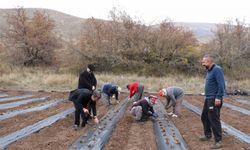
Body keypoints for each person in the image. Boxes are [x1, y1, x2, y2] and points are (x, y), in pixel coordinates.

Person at [199, 55, 225, 149]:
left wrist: (218, 97)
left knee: (214, 119)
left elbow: (221, 84)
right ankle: (208, 135)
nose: (202, 64)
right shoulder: (209, 71)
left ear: (209, 61)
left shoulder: (217, 69)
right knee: (204, 117)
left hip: (214, 99)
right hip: (208, 98)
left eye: (204, 62)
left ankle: (218, 141)